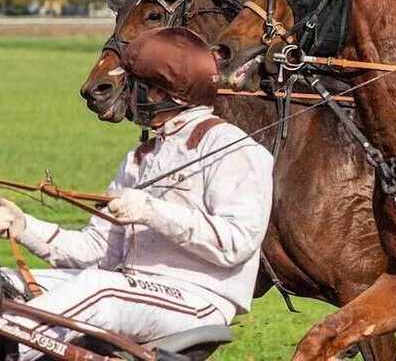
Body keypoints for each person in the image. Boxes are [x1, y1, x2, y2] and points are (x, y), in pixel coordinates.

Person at [0, 27, 273, 360]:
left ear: (161, 92)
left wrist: (152, 212)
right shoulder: (140, 157)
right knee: (6, 282)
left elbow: (237, 242)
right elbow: (96, 253)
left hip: (199, 300)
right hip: (129, 288)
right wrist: (23, 225)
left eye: (134, 87)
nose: (128, 97)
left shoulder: (234, 149)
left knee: (99, 289)